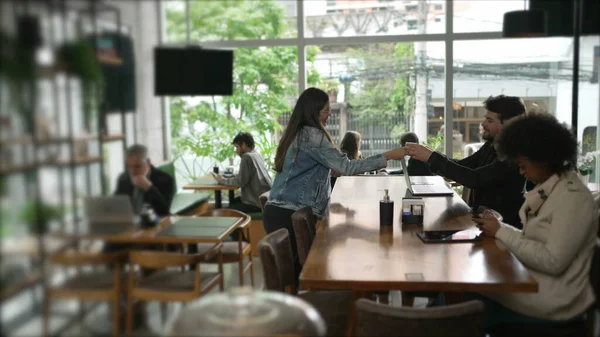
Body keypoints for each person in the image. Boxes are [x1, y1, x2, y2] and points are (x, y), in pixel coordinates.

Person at [264, 87, 407, 286]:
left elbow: (318, 171)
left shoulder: (297, 133)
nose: (329, 115)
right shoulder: (313, 136)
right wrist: (388, 156)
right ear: (313, 112)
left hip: (280, 211)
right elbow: (345, 167)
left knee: (300, 278)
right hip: (290, 215)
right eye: (325, 110)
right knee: (308, 277)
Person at [469, 112, 598, 328]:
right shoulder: (553, 189)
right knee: (461, 292)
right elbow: (535, 240)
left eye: (522, 164)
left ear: (543, 158)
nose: (521, 171)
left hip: (554, 300)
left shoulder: (573, 199)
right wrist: (500, 227)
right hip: (536, 283)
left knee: (461, 297)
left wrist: (501, 231)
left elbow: (552, 261)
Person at [405, 95, 528, 229]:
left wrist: (432, 157)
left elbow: (474, 179)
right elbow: (463, 166)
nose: (483, 124)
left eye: (489, 120)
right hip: (480, 221)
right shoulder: (490, 146)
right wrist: (429, 156)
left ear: (509, 124)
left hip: (502, 229)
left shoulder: (515, 156)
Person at [213, 132, 273, 213]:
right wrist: (229, 177)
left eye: (237, 147)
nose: (236, 150)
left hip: (256, 203)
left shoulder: (247, 157)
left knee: (225, 211)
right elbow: (245, 176)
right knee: (234, 201)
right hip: (263, 200)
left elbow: (240, 182)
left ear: (243, 145)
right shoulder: (256, 154)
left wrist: (221, 180)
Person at [114, 144, 175, 216]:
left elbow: (164, 211)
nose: (133, 171)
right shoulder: (123, 179)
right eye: (129, 166)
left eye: (137, 166)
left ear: (148, 163)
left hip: (154, 224)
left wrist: (149, 187)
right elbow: (115, 206)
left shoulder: (165, 179)